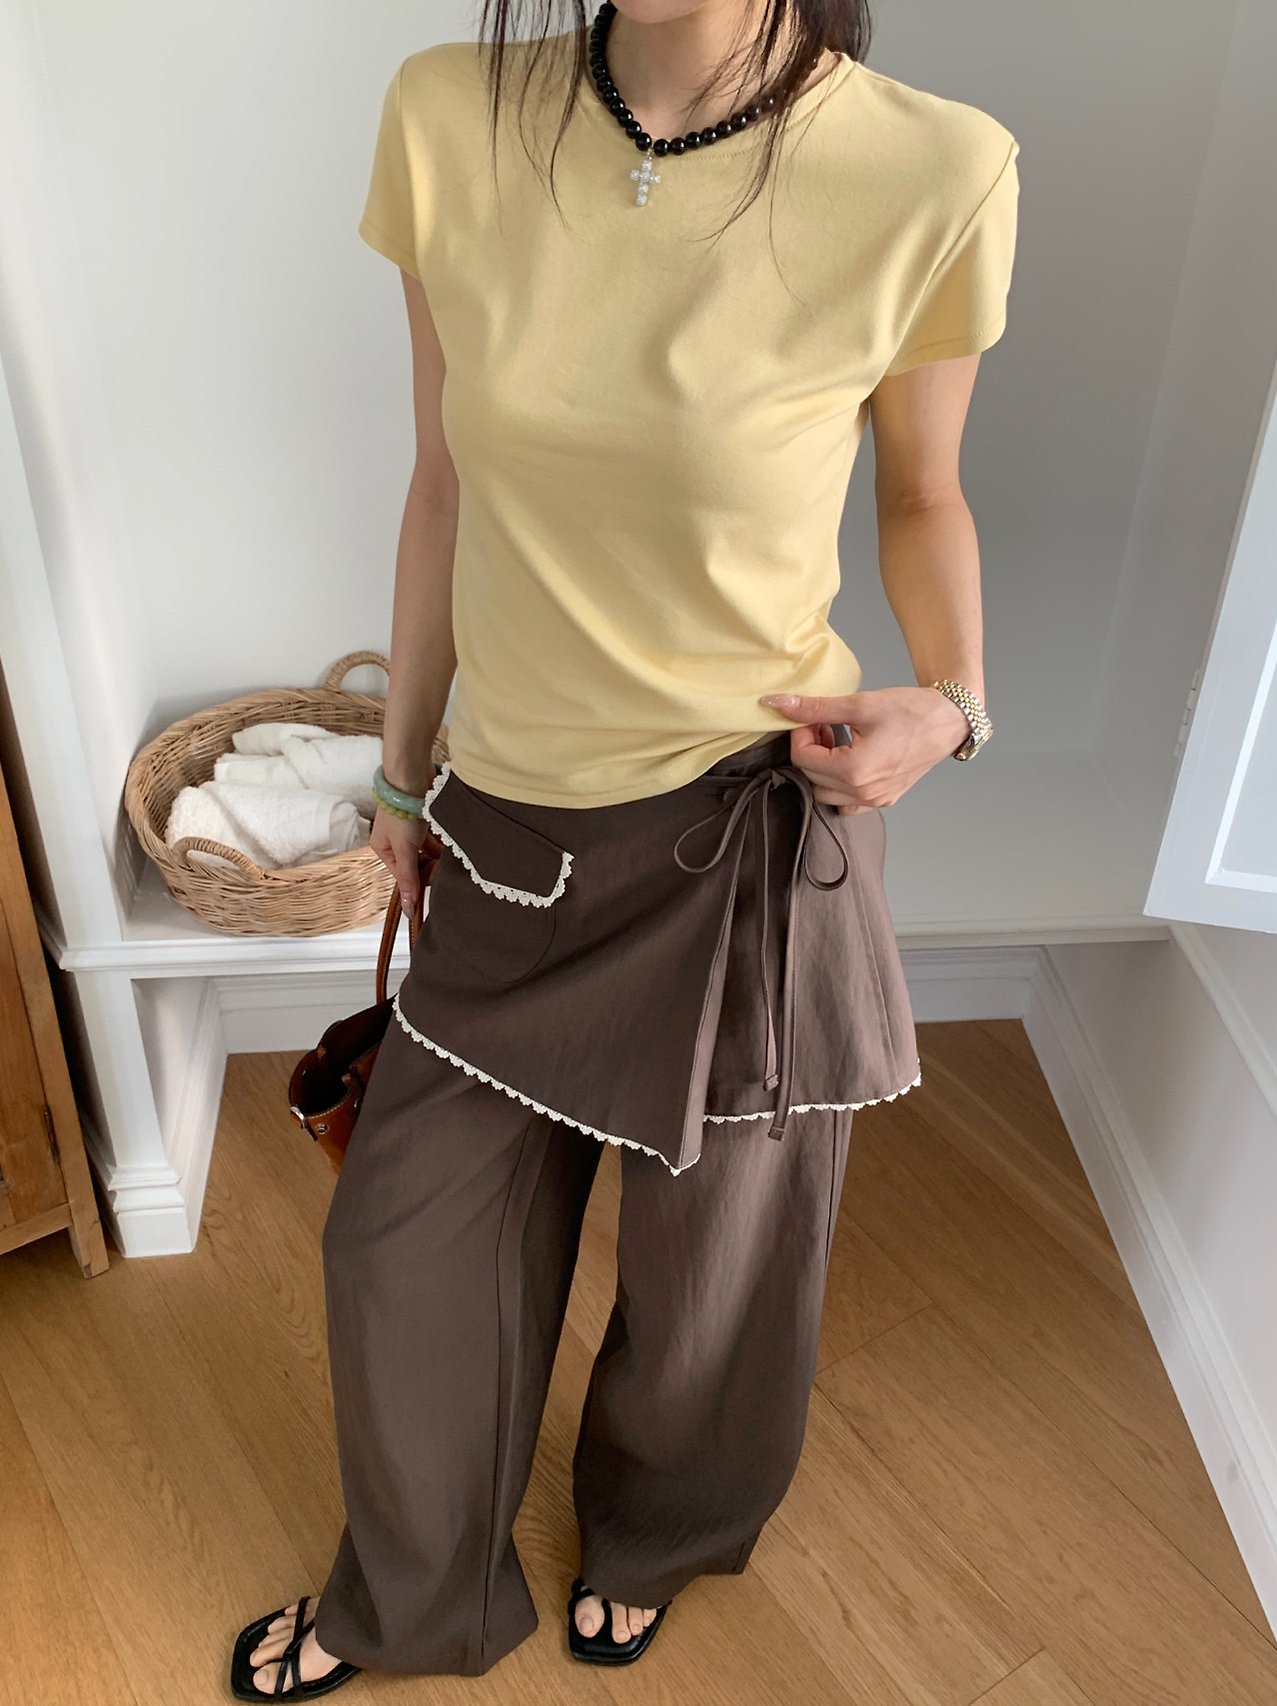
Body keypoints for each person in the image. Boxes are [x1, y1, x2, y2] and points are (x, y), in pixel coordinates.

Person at [229, 0, 1019, 1694]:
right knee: (402, 1244)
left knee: (718, 1271)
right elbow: (443, 484)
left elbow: (922, 494)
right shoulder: (448, 117)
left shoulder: (935, 168)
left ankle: (655, 1534)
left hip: (747, 825)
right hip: (512, 821)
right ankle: (411, 1598)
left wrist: (952, 704)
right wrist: (404, 777)